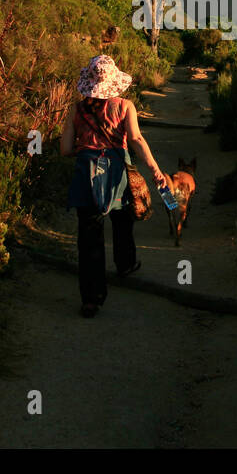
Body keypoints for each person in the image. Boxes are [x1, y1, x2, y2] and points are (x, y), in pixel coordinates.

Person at [60, 54, 167, 318]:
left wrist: (86, 151)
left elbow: (64, 149)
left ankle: (91, 299)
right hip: (118, 171)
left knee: (89, 236)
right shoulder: (125, 106)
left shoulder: (76, 109)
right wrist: (155, 169)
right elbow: (136, 139)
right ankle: (125, 264)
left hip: (87, 174)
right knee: (122, 218)